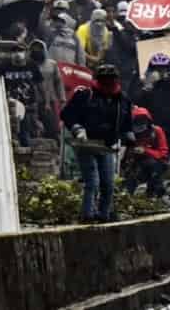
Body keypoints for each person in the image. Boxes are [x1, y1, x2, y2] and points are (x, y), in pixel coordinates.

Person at [60, 63, 134, 222]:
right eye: (104, 79)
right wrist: (78, 128)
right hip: (87, 143)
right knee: (92, 181)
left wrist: (127, 140)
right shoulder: (85, 95)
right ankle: (87, 215)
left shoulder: (123, 99)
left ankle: (104, 215)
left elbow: (127, 123)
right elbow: (66, 114)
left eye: (111, 79)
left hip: (107, 145)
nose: (108, 82)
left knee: (108, 183)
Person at [131, 53, 170, 178]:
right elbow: (135, 101)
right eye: (156, 68)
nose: (159, 71)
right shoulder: (144, 83)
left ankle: (165, 175)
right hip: (149, 127)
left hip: (168, 125)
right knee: (148, 155)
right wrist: (148, 85)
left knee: (166, 153)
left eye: (162, 69)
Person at [121, 106, 170, 197]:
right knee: (130, 179)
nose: (140, 124)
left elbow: (163, 153)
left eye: (142, 121)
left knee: (152, 166)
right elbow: (125, 154)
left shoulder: (156, 131)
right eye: (137, 122)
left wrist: (145, 151)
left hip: (156, 163)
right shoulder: (130, 134)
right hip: (136, 164)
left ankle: (155, 192)